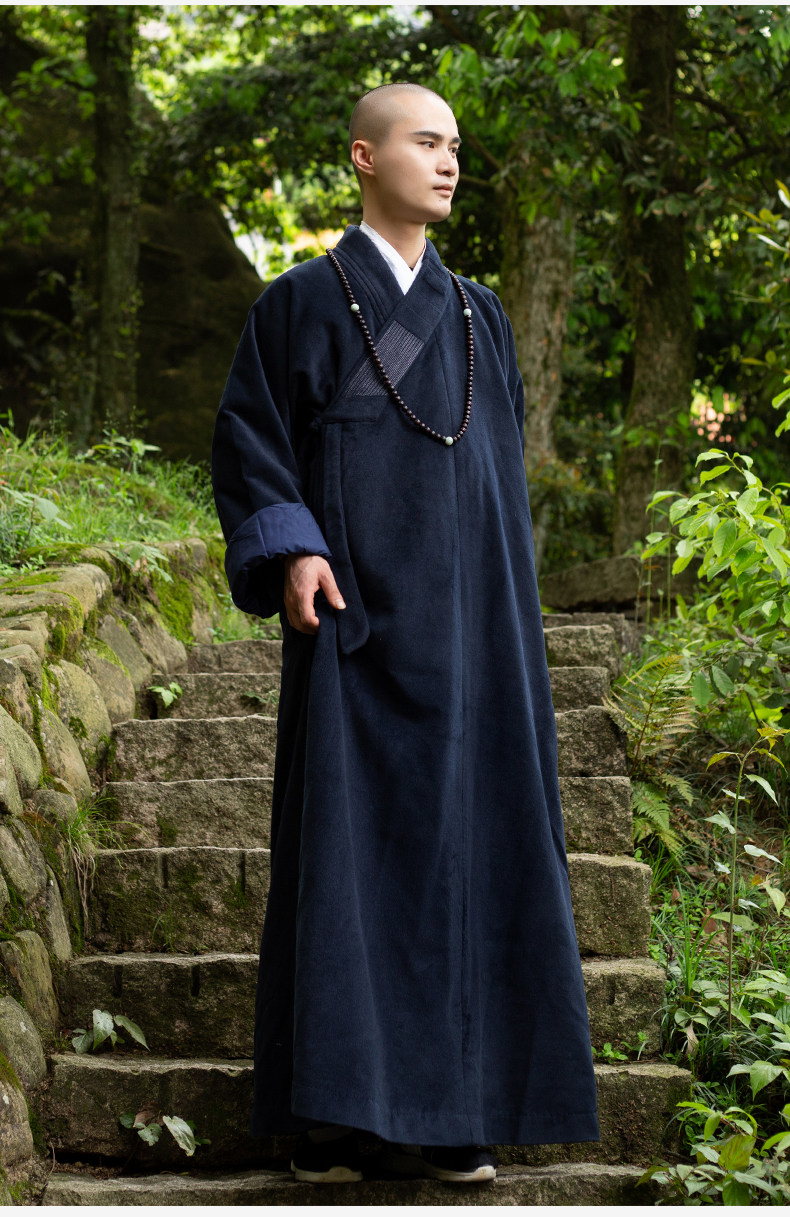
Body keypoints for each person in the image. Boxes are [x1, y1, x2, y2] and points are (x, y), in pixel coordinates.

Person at [211, 81, 600, 1186]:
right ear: (363, 156)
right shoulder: (298, 301)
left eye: (455, 145)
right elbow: (251, 443)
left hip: (475, 630)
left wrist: (507, 616)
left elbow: (497, 478)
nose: (448, 161)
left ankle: (459, 1109)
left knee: (476, 847)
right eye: (426, 142)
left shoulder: (480, 315)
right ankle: (336, 1116)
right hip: (355, 624)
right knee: (348, 858)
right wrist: (294, 548)